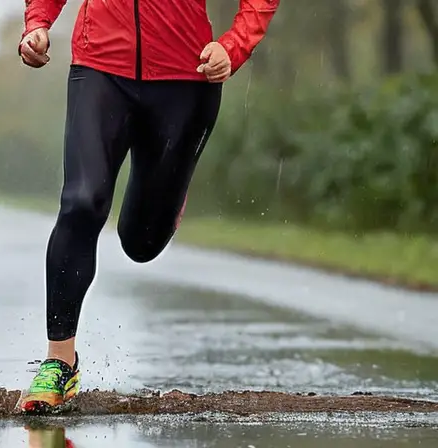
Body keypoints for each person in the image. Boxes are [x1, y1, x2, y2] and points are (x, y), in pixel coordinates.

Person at [15, 0, 280, 413]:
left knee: (142, 241)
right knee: (82, 202)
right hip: (100, 67)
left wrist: (235, 45)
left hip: (186, 78)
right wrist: (38, 23)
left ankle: (166, 204)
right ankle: (59, 363)